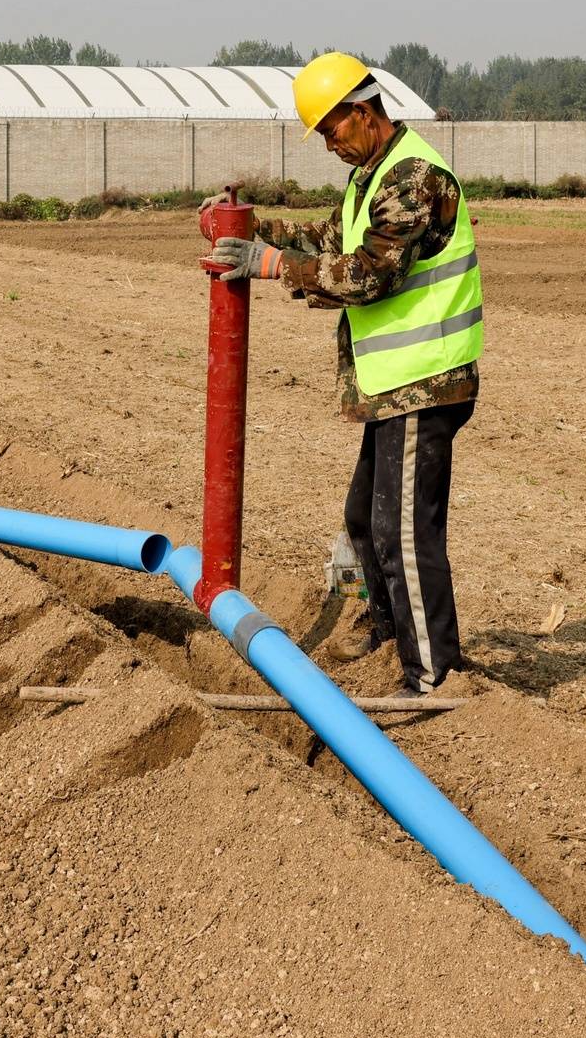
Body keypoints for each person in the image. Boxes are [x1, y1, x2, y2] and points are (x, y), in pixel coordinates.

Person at [207, 53, 483, 696]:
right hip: (390, 384)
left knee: (404, 532)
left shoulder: (414, 178)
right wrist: (249, 228)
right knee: (365, 519)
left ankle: (432, 672)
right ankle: (388, 629)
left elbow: (365, 275)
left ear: (364, 112)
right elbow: (328, 240)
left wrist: (269, 265)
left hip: (425, 381)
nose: (330, 144)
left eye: (333, 130)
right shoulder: (371, 176)